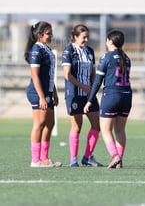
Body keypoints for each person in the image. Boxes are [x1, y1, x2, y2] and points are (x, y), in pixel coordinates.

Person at [83, 30, 132, 169]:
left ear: (110, 41)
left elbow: (98, 81)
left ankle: (114, 156)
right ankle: (119, 160)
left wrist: (90, 100)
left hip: (111, 96)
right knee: (120, 130)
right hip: (127, 95)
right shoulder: (127, 58)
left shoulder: (107, 57)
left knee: (105, 129)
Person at [62, 24, 103, 167]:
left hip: (88, 94)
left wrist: (92, 89)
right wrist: (83, 87)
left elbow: (92, 72)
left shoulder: (90, 51)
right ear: (75, 37)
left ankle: (88, 156)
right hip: (74, 93)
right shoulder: (68, 51)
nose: (86, 40)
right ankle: (73, 159)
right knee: (77, 126)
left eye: (87, 37)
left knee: (97, 125)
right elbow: (67, 74)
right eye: (83, 37)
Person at [24, 21, 62, 167]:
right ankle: (35, 160)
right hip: (37, 92)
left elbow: (50, 75)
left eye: (51, 33)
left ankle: (44, 158)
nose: (51, 36)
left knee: (50, 124)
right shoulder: (36, 50)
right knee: (39, 124)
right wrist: (41, 96)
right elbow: (35, 76)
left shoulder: (46, 49)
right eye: (48, 33)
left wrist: (54, 93)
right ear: (40, 35)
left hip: (47, 92)